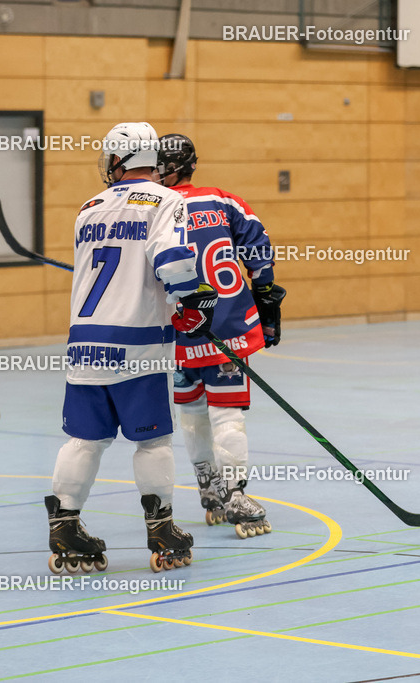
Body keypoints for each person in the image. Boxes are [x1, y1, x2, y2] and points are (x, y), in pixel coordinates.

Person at [47, 122, 218, 574]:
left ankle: (64, 523)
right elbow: (170, 259)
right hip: (137, 344)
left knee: (84, 439)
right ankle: (161, 527)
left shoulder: (89, 207)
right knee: (153, 440)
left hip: (84, 344)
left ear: (118, 161)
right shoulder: (166, 199)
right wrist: (195, 299)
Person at [157, 133, 285, 539]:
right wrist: (267, 307)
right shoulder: (224, 201)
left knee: (192, 410)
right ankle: (235, 495)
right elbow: (259, 254)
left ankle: (209, 489)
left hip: (179, 330)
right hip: (226, 326)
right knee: (226, 412)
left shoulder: (152, 211)